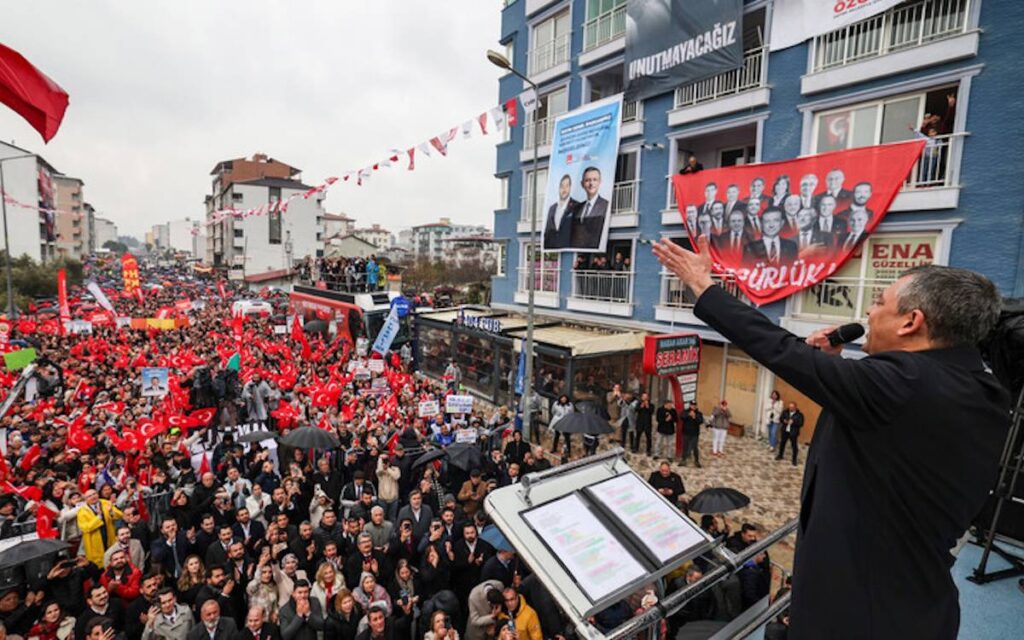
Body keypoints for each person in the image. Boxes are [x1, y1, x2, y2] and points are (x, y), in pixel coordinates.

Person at [653, 237, 1010, 639]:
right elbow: (886, 434)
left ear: (911, 322)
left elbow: (779, 349)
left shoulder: (902, 386)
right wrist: (835, 372)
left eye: (879, 302)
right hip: (920, 603)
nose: (869, 311)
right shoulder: (983, 389)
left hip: (858, 614)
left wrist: (703, 285)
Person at [77, 489, 123, 567]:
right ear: (86, 499)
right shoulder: (82, 511)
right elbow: (85, 528)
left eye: (94, 494)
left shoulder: (106, 503)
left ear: (98, 494)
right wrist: (98, 517)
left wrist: (111, 511)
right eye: (89, 496)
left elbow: (120, 515)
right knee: (98, 566)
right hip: (94, 543)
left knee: (112, 560)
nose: (93, 497)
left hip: (109, 538)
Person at [569, 167, 609, 250]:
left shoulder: (606, 205)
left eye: (595, 180)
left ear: (600, 182)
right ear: (582, 184)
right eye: (587, 180)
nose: (591, 183)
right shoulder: (577, 208)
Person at [542, 174, 578, 250]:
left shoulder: (576, 206)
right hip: (552, 248)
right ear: (558, 188)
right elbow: (547, 232)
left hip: (568, 248)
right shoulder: (552, 208)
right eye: (562, 186)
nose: (564, 189)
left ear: (570, 188)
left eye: (567, 186)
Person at [680, 401, 703, 467]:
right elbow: (681, 417)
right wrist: (688, 415)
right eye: (692, 405)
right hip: (686, 432)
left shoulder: (699, 413)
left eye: (694, 405)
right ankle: (683, 460)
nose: (693, 406)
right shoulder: (685, 411)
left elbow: (700, 421)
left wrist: (694, 417)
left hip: (695, 433)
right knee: (685, 446)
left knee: (694, 447)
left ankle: (696, 461)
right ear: (690, 405)